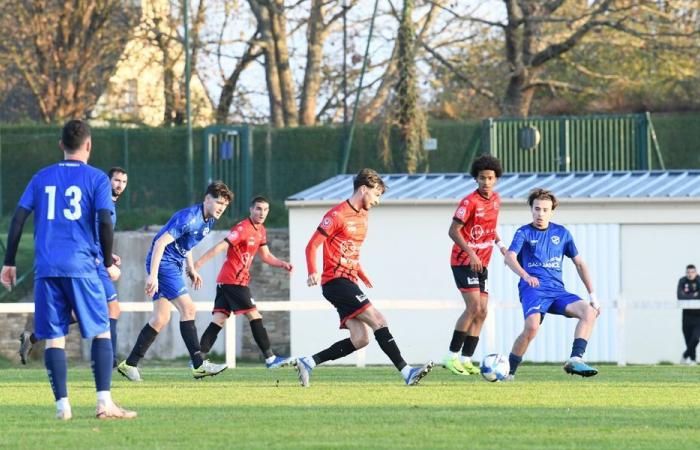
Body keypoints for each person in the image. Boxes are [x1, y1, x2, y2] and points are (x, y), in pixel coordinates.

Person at [0, 120, 136, 419]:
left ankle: (63, 407)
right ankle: (104, 403)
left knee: (55, 338)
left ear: (61, 145)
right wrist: (109, 260)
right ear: (88, 145)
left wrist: (9, 262)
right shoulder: (97, 178)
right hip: (82, 266)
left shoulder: (41, 177)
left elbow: (18, 219)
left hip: (47, 268)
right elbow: (104, 221)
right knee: (102, 331)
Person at [294, 168, 433, 387]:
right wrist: (312, 270)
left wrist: (360, 271)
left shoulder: (363, 215)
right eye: (376, 194)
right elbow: (312, 245)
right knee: (379, 320)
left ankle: (308, 362)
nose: (377, 201)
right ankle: (407, 371)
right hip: (336, 281)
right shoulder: (337, 215)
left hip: (348, 280)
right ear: (363, 189)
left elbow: (348, 250)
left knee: (361, 339)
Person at [117, 181, 233, 381]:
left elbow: (185, 244)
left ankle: (129, 364)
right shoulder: (189, 217)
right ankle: (198, 364)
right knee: (188, 309)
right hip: (163, 263)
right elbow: (160, 243)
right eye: (218, 202)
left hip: (174, 264)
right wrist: (152, 275)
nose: (221, 207)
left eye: (225, 205)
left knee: (161, 318)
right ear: (206, 200)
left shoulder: (209, 220)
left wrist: (191, 268)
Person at [18, 167, 129, 367]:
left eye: (123, 182)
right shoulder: (100, 203)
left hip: (93, 258)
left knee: (88, 310)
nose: (119, 185)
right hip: (90, 262)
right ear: (107, 181)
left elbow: (96, 235)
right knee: (112, 308)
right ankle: (107, 360)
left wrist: (108, 254)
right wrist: (107, 262)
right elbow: (93, 230)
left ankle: (33, 336)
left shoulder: (108, 205)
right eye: (116, 180)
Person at [503, 188, 600, 380]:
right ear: (531, 209)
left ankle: (575, 359)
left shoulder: (562, 233)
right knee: (531, 328)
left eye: (545, 210)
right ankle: (509, 371)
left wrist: (593, 297)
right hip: (533, 289)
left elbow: (579, 263)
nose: (540, 214)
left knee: (589, 312)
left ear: (552, 211)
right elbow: (509, 257)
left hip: (557, 291)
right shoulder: (523, 232)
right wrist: (525, 275)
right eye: (537, 209)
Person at [194, 196, 293, 368]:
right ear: (251, 209)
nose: (262, 213)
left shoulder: (261, 230)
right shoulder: (242, 228)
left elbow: (266, 256)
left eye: (265, 209)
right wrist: (197, 264)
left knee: (218, 320)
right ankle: (270, 358)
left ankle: (197, 360)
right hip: (234, 281)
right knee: (254, 315)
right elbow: (221, 246)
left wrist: (282, 263)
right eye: (258, 209)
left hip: (226, 282)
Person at [443, 155, 506, 376]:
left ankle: (466, 358)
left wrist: (500, 244)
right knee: (472, 308)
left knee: (482, 311)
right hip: (463, 261)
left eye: (490, 178)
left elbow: (490, 227)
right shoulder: (469, 202)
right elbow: (453, 230)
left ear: (496, 179)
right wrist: (470, 253)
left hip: (483, 262)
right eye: (482, 178)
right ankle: (450, 357)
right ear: (476, 179)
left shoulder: (496, 200)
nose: (486, 182)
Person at [677, 264, 700, 365]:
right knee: (688, 339)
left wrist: (688, 296)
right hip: (686, 316)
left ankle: (685, 356)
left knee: (695, 338)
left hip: (698, 316)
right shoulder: (682, 281)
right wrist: (693, 295)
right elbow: (680, 296)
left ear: (696, 272)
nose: (690, 274)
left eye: (692, 272)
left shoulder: (699, 281)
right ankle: (693, 360)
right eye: (688, 272)